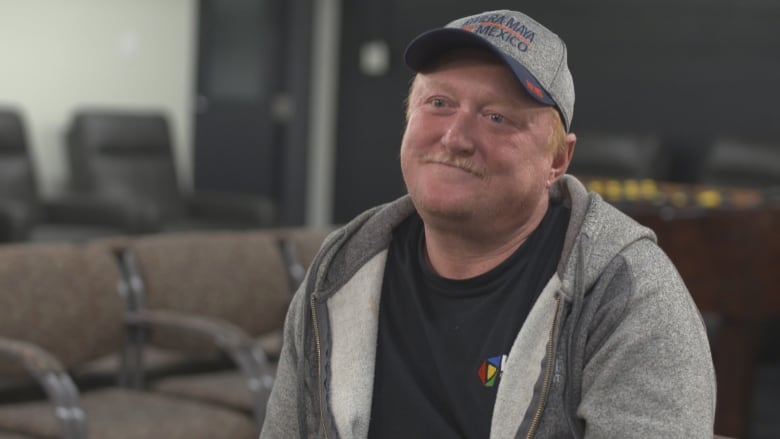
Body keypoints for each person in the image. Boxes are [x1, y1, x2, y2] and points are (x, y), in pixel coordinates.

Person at [261, 9, 716, 438]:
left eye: (497, 117)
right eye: (438, 102)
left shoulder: (624, 295)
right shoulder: (341, 272)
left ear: (557, 159)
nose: (455, 137)